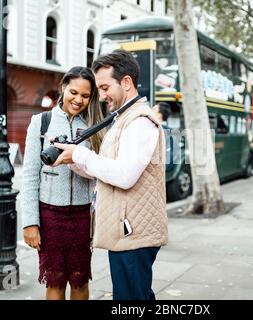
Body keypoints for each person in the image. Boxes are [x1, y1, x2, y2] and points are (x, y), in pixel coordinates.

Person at [52, 49, 168, 300]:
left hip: (134, 234)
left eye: (105, 87)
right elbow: (107, 167)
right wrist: (72, 160)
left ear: (126, 83)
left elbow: (125, 175)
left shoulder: (139, 122)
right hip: (127, 231)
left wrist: (81, 155)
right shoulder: (124, 118)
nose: (101, 95)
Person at [21, 66, 104, 300]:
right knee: (55, 281)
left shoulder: (94, 125)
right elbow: (29, 175)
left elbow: (100, 171)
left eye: (86, 96)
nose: (78, 100)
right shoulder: (41, 122)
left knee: (79, 279)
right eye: (74, 92)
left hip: (82, 215)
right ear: (63, 88)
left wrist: (79, 160)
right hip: (50, 215)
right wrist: (30, 223)